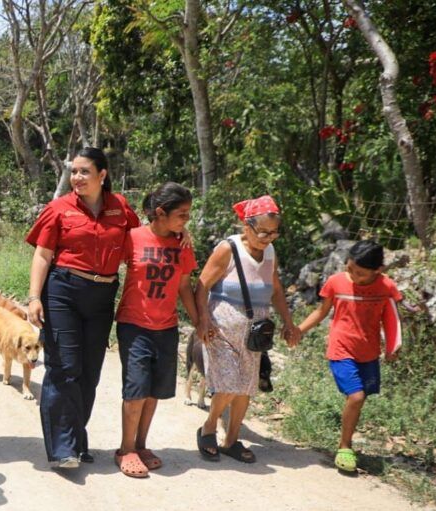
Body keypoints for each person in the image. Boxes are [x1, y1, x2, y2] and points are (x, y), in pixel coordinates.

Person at [26, 147, 141, 469]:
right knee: (64, 367)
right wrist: (34, 297)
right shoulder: (59, 208)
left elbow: (141, 240)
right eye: (74, 171)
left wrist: (177, 233)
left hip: (102, 295)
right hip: (63, 291)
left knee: (90, 371)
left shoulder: (120, 208)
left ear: (102, 175)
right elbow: (42, 255)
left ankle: (76, 438)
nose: (76, 177)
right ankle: (63, 449)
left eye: (84, 171)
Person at [195, 195, 298, 463]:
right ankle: (208, 427)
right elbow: (202, 286)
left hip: (255, 333)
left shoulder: (270, 253)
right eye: (263, 232)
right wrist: (203, 320)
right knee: (230, 382)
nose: (268, 238)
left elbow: (276, 290)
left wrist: (288, 323)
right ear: (247, 226)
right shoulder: (227, 249)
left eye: (273, 233)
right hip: (221, 329)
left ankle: (231, 440)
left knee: (246, 387)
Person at [114, 183, 200, 478]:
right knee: (135, 390)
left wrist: (199, 321)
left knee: (153, 392)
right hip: (134, 325)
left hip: (167, 327)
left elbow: (185, 286)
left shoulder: (183, 245)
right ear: (161, 213)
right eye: (182, 214)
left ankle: (140, 445)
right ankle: (125, 449)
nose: (186, 220)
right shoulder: (133, 238)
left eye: (188, 214)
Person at [296, 240, 402, 472]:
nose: (353, 275)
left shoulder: (386, 287)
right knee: (356, 396)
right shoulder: (336, 282)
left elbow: (391, 319)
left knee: (361, 399)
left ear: (378, 270)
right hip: (341, 348)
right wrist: (298, 331)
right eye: (350, 268)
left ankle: (346, 438)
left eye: (360, 273)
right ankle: (345, 447)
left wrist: (393, 346)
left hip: (369, 352)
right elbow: (321, 312)